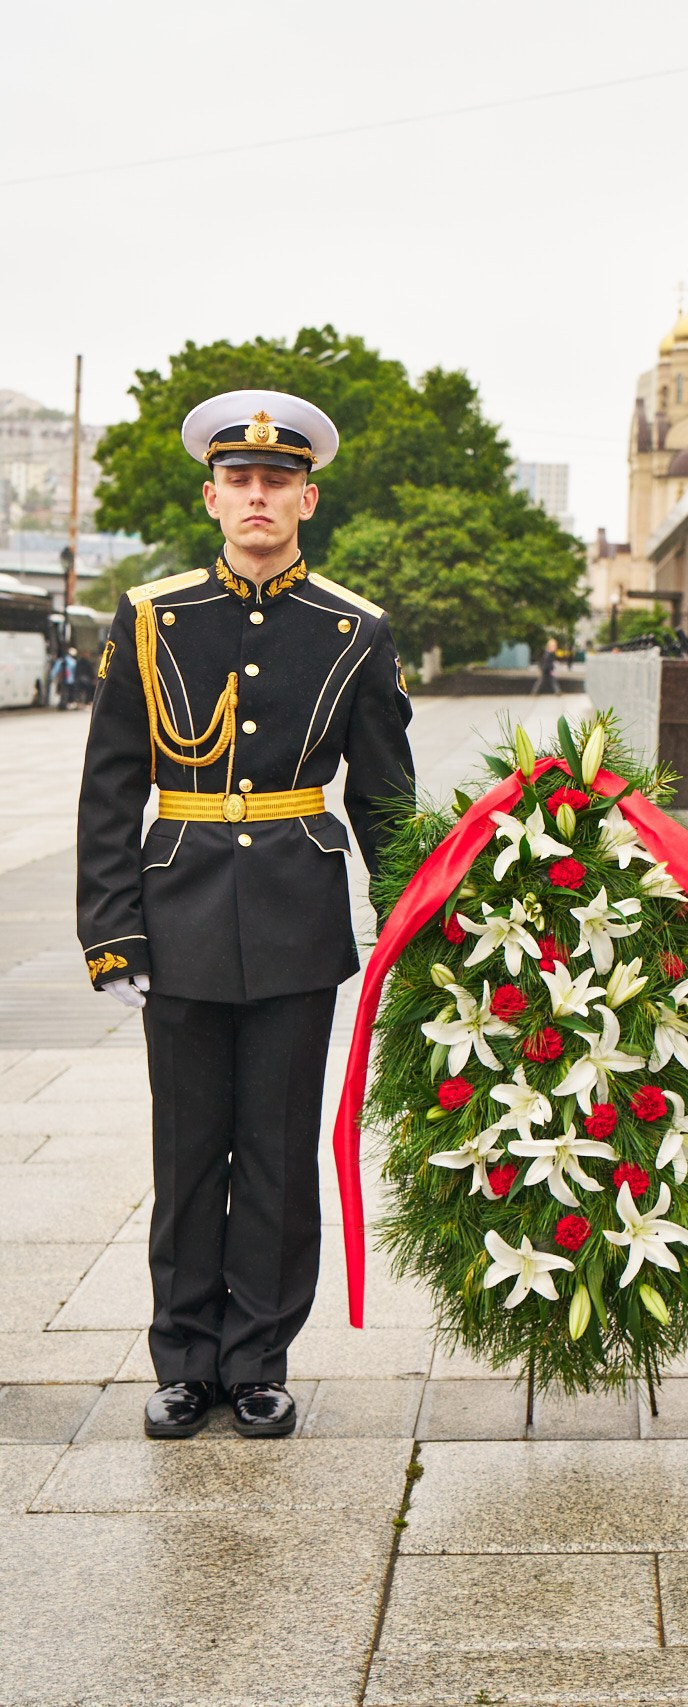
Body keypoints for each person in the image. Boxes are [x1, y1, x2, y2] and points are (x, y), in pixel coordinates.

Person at [76, 389, 414, 1439]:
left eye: (277, 481)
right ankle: (184, 1359)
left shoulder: (353, 628)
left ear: (306, 497)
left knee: (275, 1150)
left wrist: (409, 920)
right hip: (175, 908)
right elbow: (110, 785)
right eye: (239, 480)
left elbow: (383, 797)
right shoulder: (154, 615)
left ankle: (258, 1356)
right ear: (213, 497)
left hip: (294, 918)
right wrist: (112, 931)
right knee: (187, 1153)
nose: (257, 496)